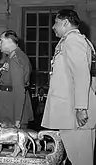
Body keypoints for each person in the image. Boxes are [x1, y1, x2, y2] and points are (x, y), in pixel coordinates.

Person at [41, 9, 96, 165]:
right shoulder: (74, 40)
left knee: (81, 160)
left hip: (74, 114)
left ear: (65, 22)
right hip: (71, 112)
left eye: (56, 23)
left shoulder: (73, 40)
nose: (53, 27)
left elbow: (81, 75)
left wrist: (81, 108)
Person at [0, 30, 34, 129]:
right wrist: (0, 74)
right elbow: (9, 80)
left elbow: (19, 89)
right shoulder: (12, 57)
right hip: (7, 108)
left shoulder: (16, 59)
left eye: (1, 41)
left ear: (10, 41)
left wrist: (17, 119)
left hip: (11, 111)